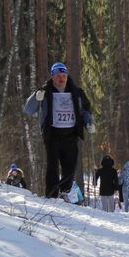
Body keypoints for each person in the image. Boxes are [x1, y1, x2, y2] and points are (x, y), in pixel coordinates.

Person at [23, 62, 95, 198]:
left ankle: (64, 192)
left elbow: (85, 110)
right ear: (52, 77)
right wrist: (36, 97)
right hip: (52, 135)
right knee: (52, 167)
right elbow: (28, 109)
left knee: (70, 168)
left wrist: (89, 122)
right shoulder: (44, 91)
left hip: (71, 134)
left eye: (64, 76)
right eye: (58, 76)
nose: (61, 79)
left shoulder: (77, 92)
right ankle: (51, 195)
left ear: (67, 76)